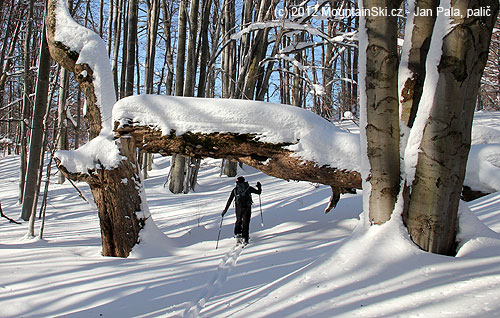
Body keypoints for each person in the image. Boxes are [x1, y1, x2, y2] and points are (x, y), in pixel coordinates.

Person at [222, 176, 262, 245]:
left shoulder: (235, 190)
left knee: (239, 220)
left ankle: (238, 234)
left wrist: (225, 210)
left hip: (239, 208)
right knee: (246, 222)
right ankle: (245, 237)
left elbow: (230, 200)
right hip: (247, 207)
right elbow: (258, 192)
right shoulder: (248, 188)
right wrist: (259, 186)